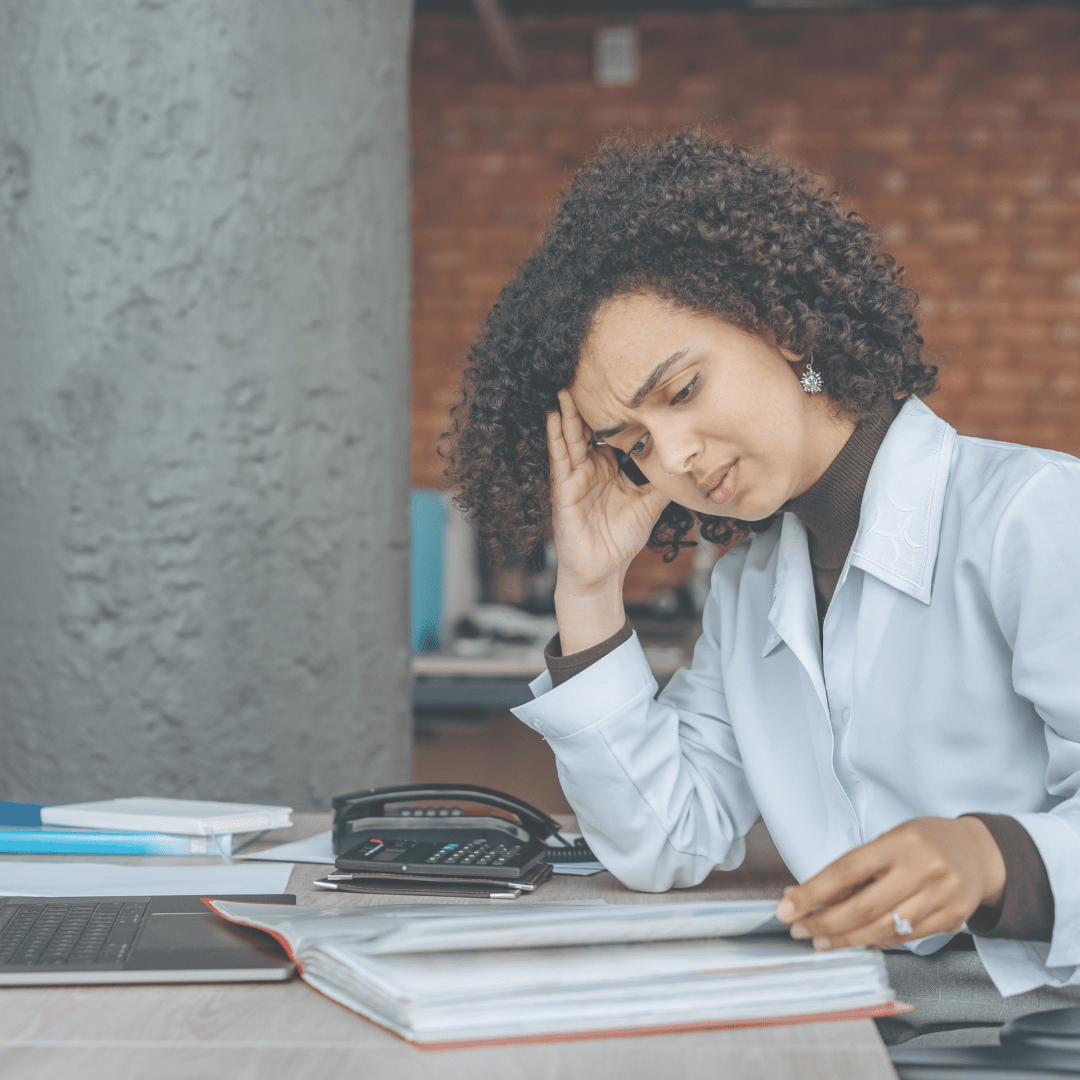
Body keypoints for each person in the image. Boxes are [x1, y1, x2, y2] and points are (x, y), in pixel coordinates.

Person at [443, 132, 1080, 1047]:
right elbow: (668, 842)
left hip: (1041, 1033)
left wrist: (993, 857)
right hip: (848, 1027)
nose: (676, 459)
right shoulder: (751, 589)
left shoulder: (1031, 515)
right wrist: (588, 591)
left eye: (684, 391)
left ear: (780, 323)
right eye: (631, 445)